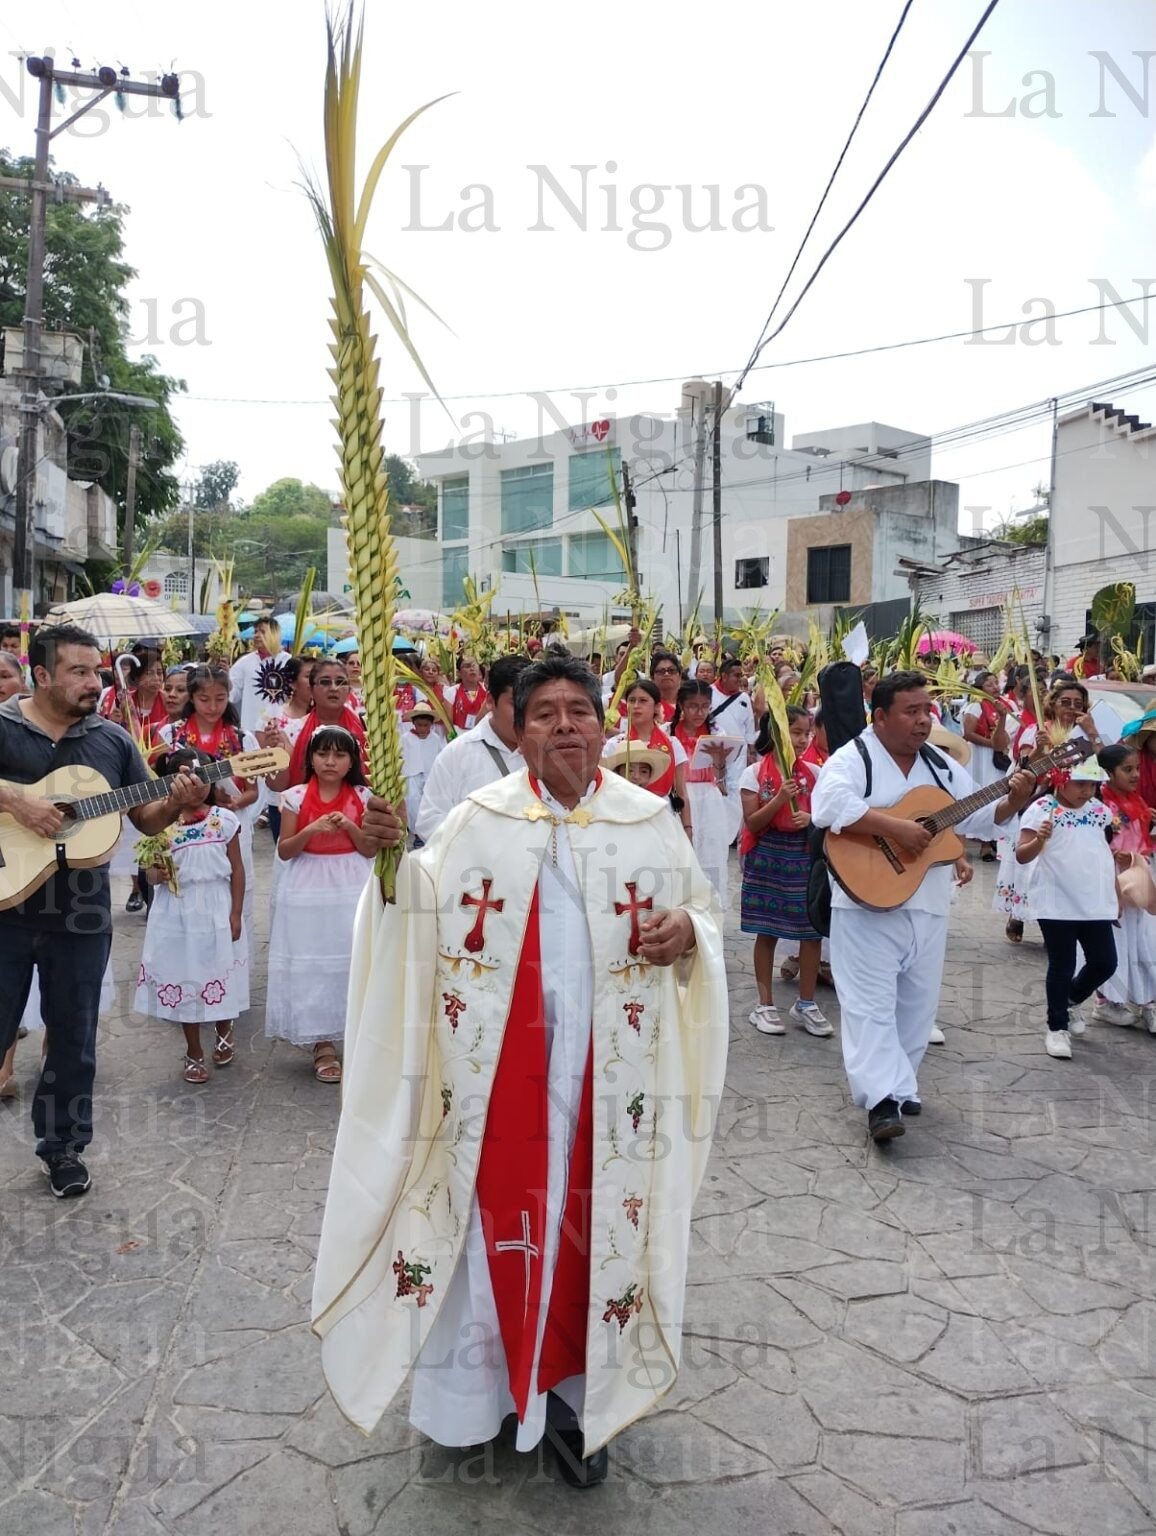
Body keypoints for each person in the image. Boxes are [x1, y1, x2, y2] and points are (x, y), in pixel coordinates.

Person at [312, 654, 727, 1487]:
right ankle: (473, 1405)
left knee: (595, 1230)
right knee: (484, 1229)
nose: (565, 724)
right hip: (499, 1082)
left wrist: (689, 933)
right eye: (545, 712)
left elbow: (703, 915)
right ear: (515, 725)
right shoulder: (477, 821)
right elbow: (411, 919)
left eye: (580, 709)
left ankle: (576, 1406)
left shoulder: (649, 819)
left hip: (610, 1089)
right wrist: (389, 871)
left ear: (606, 727)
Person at [0, 624, 203, 1196]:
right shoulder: (4, 726)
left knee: (73, 1037)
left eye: (97, 670)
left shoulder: (111, 741)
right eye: (79, 672)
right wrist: (17, 800)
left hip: (80, 914)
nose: (95, 682)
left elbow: (145, 820)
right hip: (3, 909)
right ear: (41, 676)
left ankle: (62, 1149)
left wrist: (178, 800)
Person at [811, 670, 1035, 1141]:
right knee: (868, 1006)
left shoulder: (939, 764)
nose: (922, 720)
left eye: (926, 710)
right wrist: (897, 830)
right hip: (865, 903)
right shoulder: (855, 757)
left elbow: (975, 817)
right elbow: (827, 807)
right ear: (880, 717)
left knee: (917, 1005)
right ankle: (880, 1101)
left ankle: (901, 1083)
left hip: (928, 902)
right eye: (911, 711)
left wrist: (1013, 802)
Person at [265, 725, 375, 1084]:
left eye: (339, 755)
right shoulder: (295, 796)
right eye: (323, 754)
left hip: (352, 884)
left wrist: (349, 828)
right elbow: (285, 850)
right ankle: (322, 1042)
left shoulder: (362, 795)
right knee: (314, 961)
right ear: (310, 758)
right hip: (308, 887)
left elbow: (369, 848)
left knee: (352, 957)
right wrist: (312, 830)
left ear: (352, 761)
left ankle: (359, 1033)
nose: (330, 762)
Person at [134, 747, 248, 1083]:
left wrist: (236, 913)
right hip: (177, 913)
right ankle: (194, 1049)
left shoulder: (225, 820)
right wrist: (157, 871)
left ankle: (224, 1029)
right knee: (185, 977)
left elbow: (237, 870)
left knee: (218, 971)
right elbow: (150, 876)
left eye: (203, 776)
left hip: (215, 907)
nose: (195, 784)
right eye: (185, 775)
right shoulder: (160, 827)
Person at [1015, 757, 1118, 1058]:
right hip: (1056, 901)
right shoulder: (1041, 810)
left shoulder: (1100, 811)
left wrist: (1115, 894)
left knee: (1105, 962)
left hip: (1095, 900)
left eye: (1092, 784)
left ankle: (1070, 1000)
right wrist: (1040, 841)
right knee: (1063, 965)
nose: (1087, 791)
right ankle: (1056, 1027)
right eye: (1080, 783)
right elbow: (1022, 854)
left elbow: (1102, 853)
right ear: (1061, 780)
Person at [739, 706, 831, 1037]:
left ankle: (806, 1002)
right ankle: (764, 1005)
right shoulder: (753, 774)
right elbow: (753, 822)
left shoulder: (815, 773)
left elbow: (826, 815)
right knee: (767, 930)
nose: (803, 739)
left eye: (807, 733)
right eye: (795, 732)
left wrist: (812, 820)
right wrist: (779, 798)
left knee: (811, 931)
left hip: (804, 856)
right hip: (767, 856)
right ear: (776, 734)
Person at [998, 679, 1102, 943]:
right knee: (1032, 861)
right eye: (1065, 702)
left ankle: (1060, 919)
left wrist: (1093, 734)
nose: (1071, 707)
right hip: (1044, 801)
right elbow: (1026, 770)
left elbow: (1107, 766)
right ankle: (1019, 913)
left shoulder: (1088, 732)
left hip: (1080, 805)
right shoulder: (1038, 730)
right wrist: (1041, 750)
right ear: (1052, 705)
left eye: (1078, 703)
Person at [414, 654, 530, 841]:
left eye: (533, 704)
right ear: (490, 701)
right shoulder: (456, 754)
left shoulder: (547, 750)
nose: (526, 714)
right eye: (515, 703)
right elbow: (429, 822)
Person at [1091, 743, 1156, 1029]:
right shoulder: (1102, 805)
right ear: (1108, 773)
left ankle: (1147, 1001)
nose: (1135, 775)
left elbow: (1142, 838)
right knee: (1116, 941)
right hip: (1113, 878)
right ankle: (1107, 1002)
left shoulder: (1138, 802)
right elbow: (1102, 844)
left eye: (1137, 769)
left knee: (1144, 942)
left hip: (1137, 873)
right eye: (1127, 769)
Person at [669, 678, 733, 904]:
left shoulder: (716, 730)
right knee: (683, 853)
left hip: (710, 796)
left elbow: (721, 778)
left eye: (705, 706)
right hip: (681, 796)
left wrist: (720, 761)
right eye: (693, 706)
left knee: (712, 853)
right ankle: (682, 906)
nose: (699, 712)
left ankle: (711, 906)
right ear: (682, 706)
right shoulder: (669, 732)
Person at [604, 677, 689, 830]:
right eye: (631, 700)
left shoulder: (672, 744)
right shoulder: (615, 745)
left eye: (643, 701)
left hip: (662, 817)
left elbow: (682, 792)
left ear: (657, 707)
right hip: (625, 818)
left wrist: (688, 829)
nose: (636, 706)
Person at [254, 655, 314, 842]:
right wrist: (276, 748)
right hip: (282, 801)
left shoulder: (327, 716)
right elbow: (264, 766)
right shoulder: (273, 718)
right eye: (309, 676)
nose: (316, 682)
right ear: (292, 683)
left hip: (318, 797)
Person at [960, 671, 1012, 862]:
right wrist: (993, 744)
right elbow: (968, 733)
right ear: (980, 688)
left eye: (996, 683)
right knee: (979, 794)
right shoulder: (975, 705)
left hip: (997, 756)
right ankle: (976, 845)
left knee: (995, 795)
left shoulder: (1003, 706)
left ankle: (990, 842)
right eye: (990, 684)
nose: (996, 687)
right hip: (980, 757)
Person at [710, 655, 758, 804]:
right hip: (714, 750)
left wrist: (751, 752)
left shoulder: (744, 698)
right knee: (716, 789)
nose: (740, 679)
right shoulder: (708, 693)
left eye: (741, 675)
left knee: (736, 790)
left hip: (739, 753)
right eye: (736, 675)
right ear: (724, 676)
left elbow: (749, 726)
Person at [229, 617, 286, 733]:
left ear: (274, 634)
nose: (256, 635)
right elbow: (232, 695)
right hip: (250, 729)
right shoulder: (244, 662)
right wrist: (224, 679)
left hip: (280, 730)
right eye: (255, 632)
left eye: (262, 632)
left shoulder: (287, 662)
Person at [401, 700, 445, 837]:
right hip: (411, 774)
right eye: (419, 725)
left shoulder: (435, 738)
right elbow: (400, 756)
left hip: (430, 775)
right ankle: (416, 832)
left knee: (429, 801)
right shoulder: (405, 738)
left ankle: (428, 831)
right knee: (413, 801)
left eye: (426, 725)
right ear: (413, 723)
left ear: (431, 724)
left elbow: (440, 756)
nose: (422, 728)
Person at [450, 654, 489, 732]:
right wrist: (453, 741)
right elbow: (448, 725)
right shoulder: (452, 691)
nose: (472, 669)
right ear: (459, 673)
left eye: (474, 665)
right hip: (459, 737)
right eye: (467, 666)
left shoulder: (487, 691)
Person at [650, 653, 682, 721]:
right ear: (652, 677)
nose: (666, 674)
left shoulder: (689, 704)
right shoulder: (649, 706)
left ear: (680, 675)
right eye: (661, 671)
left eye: (672, 670)